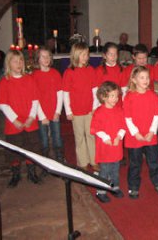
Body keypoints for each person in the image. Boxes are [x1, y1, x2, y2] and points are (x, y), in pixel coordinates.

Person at [0, 49, 42, 187]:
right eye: (15, 61)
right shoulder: (4, 82)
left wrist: (31, 117)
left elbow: (35, 100)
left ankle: (31, 172)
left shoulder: (29, 79)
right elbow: (3, 104)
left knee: (32, 147)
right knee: (14, 149)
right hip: (14, 124)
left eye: (21, 60)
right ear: (8, 64)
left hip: (30, 121)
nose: (18, 64)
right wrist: (15, 120)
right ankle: (15, 174)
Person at [123, 66, 158, 199]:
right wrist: (136, 133)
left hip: (150, 136)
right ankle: (133, 186)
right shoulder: (129, 97)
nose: (146, 80)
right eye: (142, 77)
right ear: (134, 80)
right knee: (135, 163)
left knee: (155, 160)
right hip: (134, 137)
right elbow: (127, 118)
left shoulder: (152, 95)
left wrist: (152, 132)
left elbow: (156, 115)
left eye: (147, 77)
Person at [62, 42, 98, 172]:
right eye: (83, 54)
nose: (85, 57)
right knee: (79, 137)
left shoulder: (90, 70)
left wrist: (95, 106)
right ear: (76, 55)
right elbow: (65, 94)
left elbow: (95, 90)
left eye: (87, 55)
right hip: (76, 111)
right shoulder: (69, 72)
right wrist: (68, 111)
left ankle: (94, 160)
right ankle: (82, 161)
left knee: (91, 135)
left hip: (89, 110)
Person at [90, 81, 126, 203]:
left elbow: (123, 126)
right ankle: (101, 191)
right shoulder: (99, 112)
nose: (115, 99)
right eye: (112, 96)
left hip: (116, 147)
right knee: (104, 171)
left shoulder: (119, 110)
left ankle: (114, 187)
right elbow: (95, 128)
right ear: (103, 96)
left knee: (115, 170)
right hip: (105, 148)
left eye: (117, 96)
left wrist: (119, 136)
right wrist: (105, 137)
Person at [32, 47, 64, 163]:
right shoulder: (35, 76)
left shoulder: (55, 73)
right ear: (38, 59)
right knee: (44, 139)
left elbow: (60, 94)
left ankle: (59, 158)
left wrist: (58, 111)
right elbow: (35, 97)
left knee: (57, 137)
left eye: (48, 56)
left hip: (54, 111)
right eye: (43, 56)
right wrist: (42, 116)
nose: (46, 59)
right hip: (42, 114)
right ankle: (45, 161)